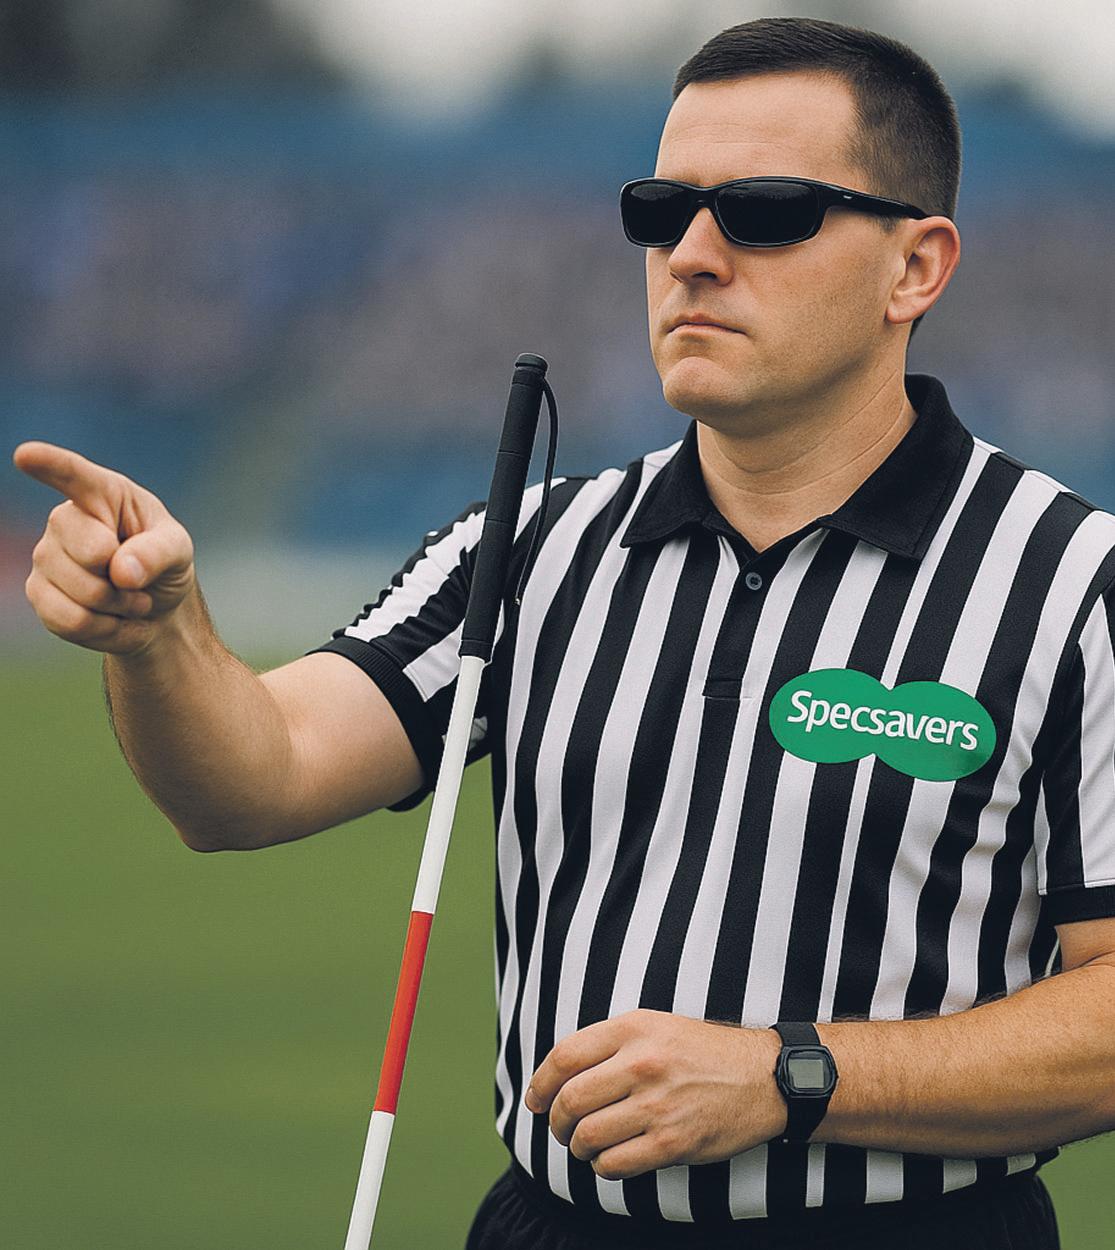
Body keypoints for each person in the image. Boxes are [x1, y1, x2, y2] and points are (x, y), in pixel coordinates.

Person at [12, 15, 1115, 1250]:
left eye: (764, 212)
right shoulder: (534, 545)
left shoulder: (1072, 581)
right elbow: (250, 778)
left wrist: (788, 1074)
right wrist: (157, 636)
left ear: (914, 266)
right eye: (661, 210)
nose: (690, 255)